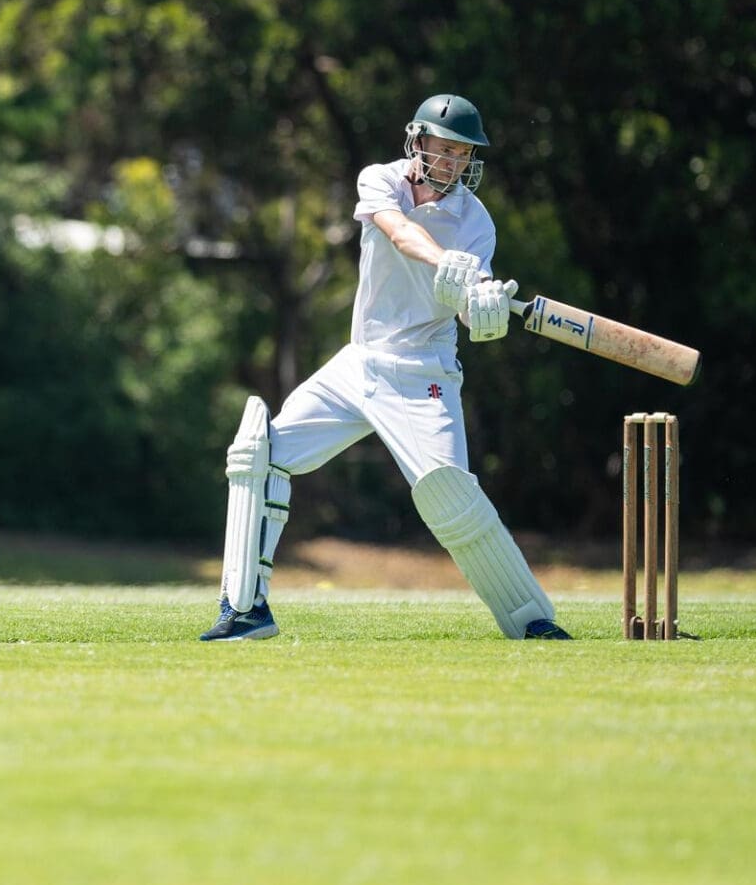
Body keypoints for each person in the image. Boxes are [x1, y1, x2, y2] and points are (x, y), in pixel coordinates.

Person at [200, 93, 571, 642]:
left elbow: (471, 313)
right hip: (360, 362)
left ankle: (531, 621)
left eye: (462, 154)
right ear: (417, 142)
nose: (451, 163)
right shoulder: (381, 179)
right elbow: (397, 231)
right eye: (442, 149)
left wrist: (482, 306)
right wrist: (447, 262)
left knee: (451, 495)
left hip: (424, 373)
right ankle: (245, 610)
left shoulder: (476, 223)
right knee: (261, 456)